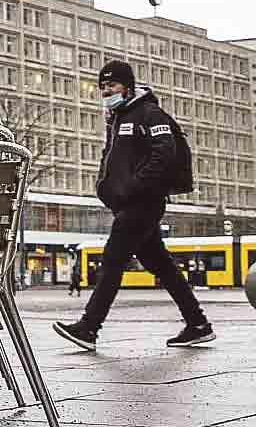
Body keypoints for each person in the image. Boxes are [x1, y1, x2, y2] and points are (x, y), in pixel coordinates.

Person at [53, 60, 213, 352]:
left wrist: (134, 186)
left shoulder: (148, 113)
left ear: (127, 86)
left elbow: (165, 153)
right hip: (129, 204)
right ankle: (198, 324)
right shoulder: (116, 120)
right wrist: (107, 190)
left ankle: (89, 327)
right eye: (102, 87)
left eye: (112, 85)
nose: (106, 91)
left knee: (112, 260)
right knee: (161, 265)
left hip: (144, 202)